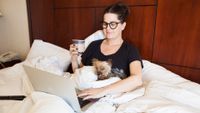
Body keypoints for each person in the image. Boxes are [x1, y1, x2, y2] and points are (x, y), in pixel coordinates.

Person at [70, 2, 143, 100]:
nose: (108, 28)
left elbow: (137, 80)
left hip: (106, 98)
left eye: (112, 24)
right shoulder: (93, 45)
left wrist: (101, 91)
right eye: (105, 24)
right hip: (83, 94)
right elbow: (80, 75)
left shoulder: (130, 50)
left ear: (123, 26)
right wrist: (74, 59)